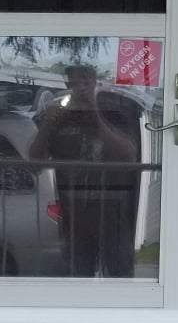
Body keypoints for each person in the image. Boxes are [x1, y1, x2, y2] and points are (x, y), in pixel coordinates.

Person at [29, 65, 142, 278]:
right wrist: (48, 123)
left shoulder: (112, 110)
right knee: (79, 276)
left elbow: (128, 155)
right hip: (75, 214)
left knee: (119, 276)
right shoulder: (60, 115)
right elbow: (35, 162)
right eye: (76, 82)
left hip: (112, 211)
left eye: (87, 82)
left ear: (95, 82)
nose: (82, 87)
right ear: (68, 85)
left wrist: (96, 115)